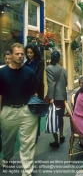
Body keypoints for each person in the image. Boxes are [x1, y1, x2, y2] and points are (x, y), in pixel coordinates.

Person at [0, 43, 38, 176]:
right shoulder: (2, 72)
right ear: (10, 55)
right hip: (8, 111)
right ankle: (7, 156)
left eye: (22, 53)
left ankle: (27, 172)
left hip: (27, 111)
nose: (20, 56)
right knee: (7, 141)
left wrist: (35, 108)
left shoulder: (29, 72)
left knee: (28, 143)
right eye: (17, 53)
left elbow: (34, 93)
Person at [46, 50, 68, 148]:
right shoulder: (63, 69)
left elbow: (51, 84)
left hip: (54, 97)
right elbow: (66, 83)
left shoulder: (49, 68)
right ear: (59, 59)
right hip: (62, 97)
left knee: (53, 118)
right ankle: (62, 135)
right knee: (60, 117)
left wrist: (51, 98)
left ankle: (56, 141)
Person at [24, 43, 44, 141]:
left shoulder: (39, 62)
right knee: (28, 113)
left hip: (36, 91)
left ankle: (35, 135)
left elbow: (38, 78)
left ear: (35, 52)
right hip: (28, 91)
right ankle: (30, 134)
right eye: (27, 52)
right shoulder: (26, 63)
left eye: (31, 52)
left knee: (36, 113)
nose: (29, 54)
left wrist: (35, 90)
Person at [0, 51, 12, 152]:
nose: (8, 61)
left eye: (9, 59)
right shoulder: (1, 70)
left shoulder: (15, 70)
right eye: (6, 59)